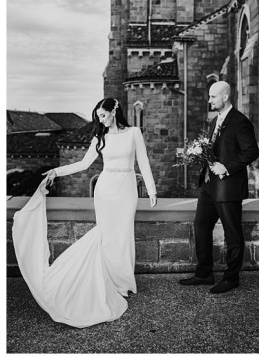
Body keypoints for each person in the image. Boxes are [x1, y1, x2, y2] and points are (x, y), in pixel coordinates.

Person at [12, 98, 157, 328]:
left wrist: (151, 189)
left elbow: (144, 162)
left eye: (102, 115)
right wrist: (56, 171)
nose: (100, 120)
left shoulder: (134, 133)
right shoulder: (100, 137)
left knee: (123, 234)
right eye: (98, 116)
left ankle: (124, 282)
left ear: (114, 111)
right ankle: (112, 282)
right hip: (106, 189)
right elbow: (83, 164)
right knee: (108, 236)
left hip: (127, 189)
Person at [178, 81, 259, 294]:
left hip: (228, 187)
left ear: (225, 96)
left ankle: (231, 278)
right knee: (201, 226)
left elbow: (251, 152)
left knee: (232, 233)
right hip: (208, 187)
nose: (209, 100)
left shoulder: (240, 121)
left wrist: (227, 167)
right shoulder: (215, 121)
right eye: (209, 96)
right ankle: (204, 273)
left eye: (213, 97)